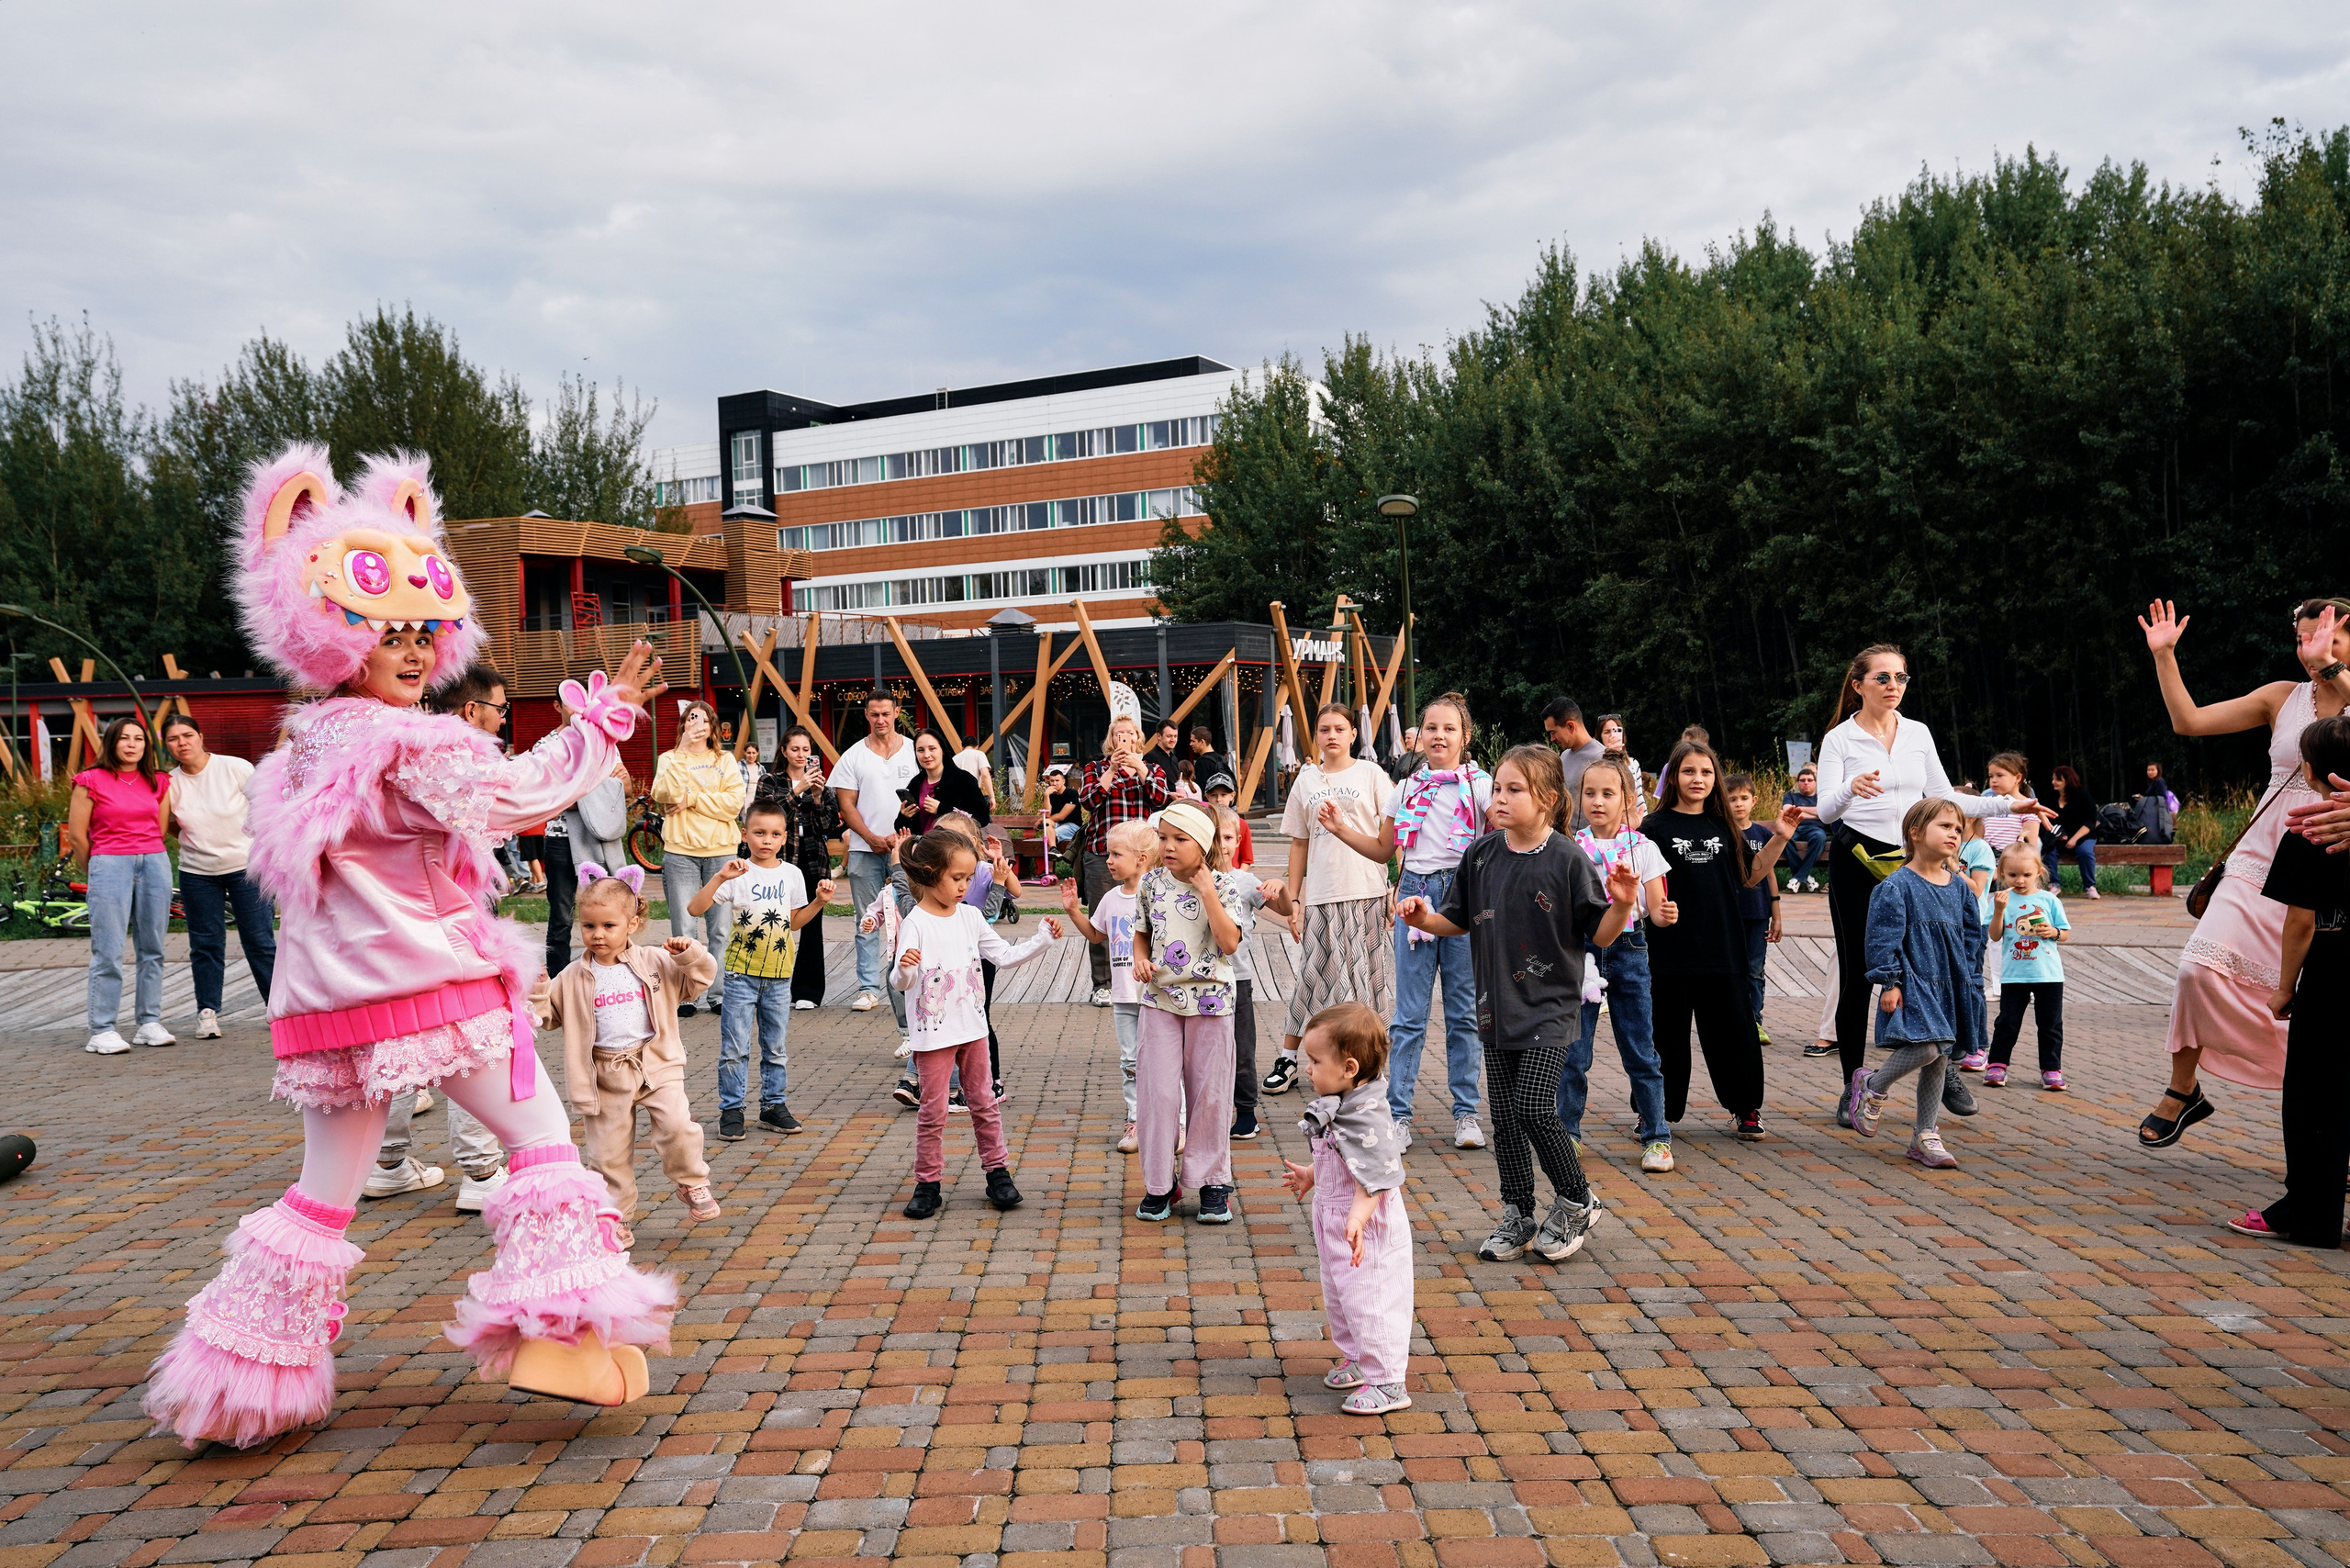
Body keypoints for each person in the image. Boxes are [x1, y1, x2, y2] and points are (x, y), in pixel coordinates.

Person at [146, 446, 674, 1447]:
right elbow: (512, 797)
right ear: (330, 632)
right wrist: (602, 726)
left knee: (322, 1195)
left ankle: (238, 1384)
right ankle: (558, 1340)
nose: (413, 650)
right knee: (543, 1142)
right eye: (386, 631)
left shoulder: (301, 744)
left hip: (330, 1005)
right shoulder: (403, 740)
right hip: (432, 988)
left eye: (422, 632)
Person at [1398, 745, 1637, 1264]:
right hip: (1495, 1008)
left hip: (1551, 1008)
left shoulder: (1568, 859)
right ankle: (1518, 1212)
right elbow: (1454, 919)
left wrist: (1621, 903)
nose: (1500, 798)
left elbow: (1601, 933)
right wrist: (1422, 919)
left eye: (1514, 790)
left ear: (1548, 799)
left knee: (1532, 1106)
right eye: (1498, 788)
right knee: (1504, 1116)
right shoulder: (1480, 855)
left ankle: (1577, 1200)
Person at [2136, 598, 2350, 1148]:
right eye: (2303, 641)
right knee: (2197, 970)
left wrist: (2332, 667)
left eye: (2326, 641)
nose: (2311, 652)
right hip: (2257, 860)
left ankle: (2328, 1108)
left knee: (2318, 1005)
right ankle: (2185, 1090)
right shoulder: (2283, 697)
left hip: (2331, 869)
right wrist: (2164, 657)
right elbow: (2190, 721)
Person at [1816, 644, 2048, 1121]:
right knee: (1860, 970)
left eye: (1900, 677)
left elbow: (1944, 800)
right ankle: (1852, 1085)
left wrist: (2009, 806)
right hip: (1857, 857)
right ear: (1858, 685)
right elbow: (1823, 811)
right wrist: (1850, 788)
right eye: (1882, 678)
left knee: (1937, 962)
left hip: (1916, 863)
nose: (1893, 685)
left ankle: (1945, 1065)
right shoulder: (1839, 740)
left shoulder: (1918, 733)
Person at [1303, 694, 1490, 1149]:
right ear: (1419, 735)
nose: (1439, 736)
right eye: (1431, 728)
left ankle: (1466, 1113)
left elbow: (1497, 840)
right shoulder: (1406, 788)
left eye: (1449, 729)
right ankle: (1398, 1114)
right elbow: (1386, 851)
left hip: (1464, 892)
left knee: (1464, 1011)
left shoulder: (1482, 786)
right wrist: (1342, 828)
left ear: (1465, 736)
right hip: (1414, 894)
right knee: (1408, 1016)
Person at [368, 663, 513, 1211]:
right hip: (449, 924)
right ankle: (481, 1172)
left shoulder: (393, 748)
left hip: (394, 927)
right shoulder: (455, 761)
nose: (503, 721)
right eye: (500, 709)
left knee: (403, 1040)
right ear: (473, 712)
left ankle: (387, 1161)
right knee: (471, 1042)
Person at [532, 868, 721, 1240]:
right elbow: (545, 1017)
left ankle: (691, 1181)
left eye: (608, 925)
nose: (597, 934)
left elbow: (699, 982)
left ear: (632, 923)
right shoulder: (571, 976)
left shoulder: (655, 961)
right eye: (588, 926)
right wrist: (538, 990)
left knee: (678, 1126)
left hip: (656, 1063)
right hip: (603, 1076)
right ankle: (614, 1218)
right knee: (607, 1157)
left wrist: (691, 955)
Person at [890, 829, 1061, 1219]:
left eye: (969, 878)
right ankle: (928, 1183)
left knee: (984, 1103)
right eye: (957, 878)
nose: (965, 886)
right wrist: (905, 970)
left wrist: (1042, 939)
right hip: (933, 1036)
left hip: (974, 1030)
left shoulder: (970, 917)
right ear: (931, 873)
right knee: (932, 1112)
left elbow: (1003, 955)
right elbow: (900, 984)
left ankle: (998, 1174)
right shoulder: (915, 922)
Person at [1645, 742, 1804, 1141]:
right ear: (1673, 777)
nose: (1698, 779)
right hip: (1669, 952)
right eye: (1688, 772)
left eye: (1706, 772)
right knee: (1666, 1038)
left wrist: (1781, 837)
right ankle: (1655, 1112)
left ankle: (1746, 1109)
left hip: (1723, 948)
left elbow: (1750, 875)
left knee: (1735, 1034)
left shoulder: (1723, 825)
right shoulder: (1654, 827)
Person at [2232, 716, 2350, 1246]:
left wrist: (2284, 988)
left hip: (2333, 969)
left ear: (2307, 769)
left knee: (2314, 1095)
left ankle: (2311, 1215)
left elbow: (2301, 921)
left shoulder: (2309, 828)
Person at [1280, 1002, 1415, 1418]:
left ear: (1350, 1067)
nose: (1307, 1069)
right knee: (1341, 1296)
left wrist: (1357, 1217)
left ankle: (1388, 1380)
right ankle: (1358, 1357)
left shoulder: (1367, 1116)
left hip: (1363, 1227)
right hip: (1335, 1219)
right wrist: (1311, 1173)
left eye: (1315, 1061)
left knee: (1369, 1298)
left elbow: (1375, 1175)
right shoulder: (1343, 1102)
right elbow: (1342, 1157)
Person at [1843, 798, 1985, 1170]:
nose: (1954, 833)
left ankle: (1925, 1134)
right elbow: (1880, 939)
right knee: (1929, 1047)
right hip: (1914, 979)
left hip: (1950, 982)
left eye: (1958, 828)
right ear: (1916, 833)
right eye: (1945, 826)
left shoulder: (1958, 888)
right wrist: (1889, 982)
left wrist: (1971, 979)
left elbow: (1972, 937)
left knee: (1939, 1055)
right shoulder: (1897, 886)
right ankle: (1873, 1085)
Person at [689, 801, 834, 1140]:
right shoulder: (737, 873)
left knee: (776, 1048)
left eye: (774, 834)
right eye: (758, 833)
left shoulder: (792, 875)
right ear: (745, 835)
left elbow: (795, 921)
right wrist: (720, 877)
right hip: (740, 976)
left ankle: (773, 1106)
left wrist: (819, 902)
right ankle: (732, 1109)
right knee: (734, 1048)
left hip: (781, 977)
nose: (766, 840)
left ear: (784, 837)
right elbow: (695, 908)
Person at [1131, 801, 1247, 1224]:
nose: (1169, 846)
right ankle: (1161, 1185)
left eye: (1180, 839)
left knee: (1210, 1096)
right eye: (1163, 838)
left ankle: (1214, 1182)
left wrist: (1208, 892)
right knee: (1158, 1094)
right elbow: (1140, 936)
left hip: (1212, 1004)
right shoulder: (1150, 884)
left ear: (1202, 843)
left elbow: (1229, 943)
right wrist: (1140, 960)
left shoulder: (1224, 885)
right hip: (1159, 1001)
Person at [1270, 706, 1394, 1094]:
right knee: (1311, 979)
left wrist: (1396, 887)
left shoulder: (1372, 774)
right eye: (1324, 729)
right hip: (1323, 895)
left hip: (1368, 892)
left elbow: (1395, 836)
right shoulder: (1306, 781)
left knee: (1369, 984)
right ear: (1317, 736)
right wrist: (1294, 902)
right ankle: (1292, 1060)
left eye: (1340, 728)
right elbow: (1298, 843)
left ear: (1354, 733)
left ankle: (1370, 1066)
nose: (1332, 735)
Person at [1563, 756, 1674, 1173]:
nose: (1597, 802)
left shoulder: (1643, 848)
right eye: (1589, 793)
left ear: (1628, 799)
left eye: (1608, 794)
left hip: (1630, 949)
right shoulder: (1571, 848)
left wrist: (1666, 915)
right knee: (1574, 1051)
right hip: (1583, 953)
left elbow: (1658, 909)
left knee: (1640, 1050)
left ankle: (1657, 1137)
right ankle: (1568, 1134)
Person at [160, 712, 275, 1039]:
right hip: (198, 873)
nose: (182, 743)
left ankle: (277, 1008)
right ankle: (207, 1012)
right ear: (166, 745)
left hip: (245, 868)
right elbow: (169, 825)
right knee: (205, 944)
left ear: (199, 736)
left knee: (260, 940)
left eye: (187, 735)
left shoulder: (234, 767)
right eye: (173, 739)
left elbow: (265, 805)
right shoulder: (170, 783)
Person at [71, 716, 174, 1055]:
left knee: (153, 948)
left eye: (139, 739)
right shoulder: (90, 780)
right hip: (109, 863)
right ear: (112, 742)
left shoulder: (157, 780)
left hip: (154, 863)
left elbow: (159, 830)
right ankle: (102, 1029)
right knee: (109, 951)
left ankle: (149, 1022)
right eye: (124, 738)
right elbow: (76, 835)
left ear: (146, 746)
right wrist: (99, 869)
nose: (132, 744)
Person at [1060, 821, 1158, 1149]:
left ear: (1142, 858)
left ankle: (1178, 1122)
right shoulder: (1111, 898)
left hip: (1157, 997)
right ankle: (1136, 1122)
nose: (1109, 861)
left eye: (1116, 854)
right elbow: (1097, 935)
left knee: (1166, 1060)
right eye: (1108, 853)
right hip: (1123, 997)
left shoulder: (1158, 894)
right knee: (1129, 1062)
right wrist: (1074, 912)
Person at [652, 700, 745, 1018]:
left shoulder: (725, 759)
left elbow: (733, 805)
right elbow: (665, 795)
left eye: (704, 720)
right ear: (683, 724)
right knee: (684, 928)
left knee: (720, 929)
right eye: (692, 719)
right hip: (681, 852)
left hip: (720, 851)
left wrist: (692, 799)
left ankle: (716, 994)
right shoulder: (669, 758)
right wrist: (681, 751)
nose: (698, 725)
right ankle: (688, 994)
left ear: (713, 726)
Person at [826, 689, 917, 1013]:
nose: (880, 719)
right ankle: (867, 988)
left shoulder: (914, 751)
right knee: (866, 920)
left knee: (911, 916)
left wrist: (899, 838)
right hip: (865, 850)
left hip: (908, 849)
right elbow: (846, 805)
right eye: (874, 714)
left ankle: (910, 982)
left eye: (886, 713)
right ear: (866, 715)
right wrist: (871, 837)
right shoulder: (853, 756)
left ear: (896, 713)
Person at [1077, 716, 1170, 1005]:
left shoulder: (1152, 768)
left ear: (1139, 739)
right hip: (1103, 852)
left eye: (1130, 734)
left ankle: (1153, 976)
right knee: (1103, 916)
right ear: (1111, 740)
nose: (1125, 738)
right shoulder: (1095, 768)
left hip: (1144, 856)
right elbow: (1088, 801)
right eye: (1119, 734)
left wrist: (1139, 768)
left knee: (1151, 913)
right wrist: (1113, 770)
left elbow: (1160, 799)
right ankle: (1103, 984)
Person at [1212, 803, 1289, 1142]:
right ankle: (1208, 1111)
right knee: (1207, 1052)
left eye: (1229, 837)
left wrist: (1280, 886)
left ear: (1239, 839)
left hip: (1237, 979)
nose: (1222, 844)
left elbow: (1285, 910)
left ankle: (1245, 1113)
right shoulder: (1187, 880)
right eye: (1215, 836)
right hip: (1200, 981)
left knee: (1242, 1050)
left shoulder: (1243, 881)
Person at [752, 725, 839, 1010]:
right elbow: (766, 818)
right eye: (795, 749)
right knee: (773, 923)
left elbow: (827, 827)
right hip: (779, 861)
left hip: (813, 861)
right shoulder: (770, 781)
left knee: (812, 927)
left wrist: (815, 796)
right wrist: (796, 791)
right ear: (784, 751)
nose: (801, 755)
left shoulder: (820, 784)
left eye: (806, 750)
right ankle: (766, 988)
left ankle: (807, 992)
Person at [1985, 843, 2069, 1090]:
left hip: (2049, 974)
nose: (2019, 880)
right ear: (2001, 874)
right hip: (2014, 975)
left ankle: (2051, 1069)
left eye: (2026, 875)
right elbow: (1995, 935)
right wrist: (1999, 910)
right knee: (2007, 1023)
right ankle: (1997, 1065)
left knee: (2050, 1025)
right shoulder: (2000, 901)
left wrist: (2053, 931)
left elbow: (2065, 934)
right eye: (2012, 875)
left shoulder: (2049, 900)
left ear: (2039, 872)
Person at [1724, 774, 1781, 1043]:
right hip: (1729, 913)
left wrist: (1776, 914)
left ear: (1754, 801)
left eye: (1743, 798)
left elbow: (1769, 874)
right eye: (1732, 798)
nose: (1738, 804)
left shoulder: (1762, 834)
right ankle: (1731, 1020)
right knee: (1730, 969)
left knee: (1755, 969)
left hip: (1758, 913)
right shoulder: (1720, 833)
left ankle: (1755, 1021)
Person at [897, 727, 990, 837]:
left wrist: (942, 809)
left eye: (932, 749)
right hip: (922, 850)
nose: (926, 755)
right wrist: (904, 817)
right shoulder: (915, 783)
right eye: (921, 750)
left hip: (956, 850)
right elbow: (902, 829)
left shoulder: (963, 779)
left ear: (943, 750)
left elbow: (982, 817)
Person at [1540, 698, 1606, 831]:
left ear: (1571, 726)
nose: (1552, 739)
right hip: (1562, 839)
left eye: (1553, 732)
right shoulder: (1563, 756)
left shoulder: (1601, 759)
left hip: (1588, 844)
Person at [2039, 765, 2100, 900]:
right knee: (2048, 850)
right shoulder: (2049, 796)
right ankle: (2054, 884)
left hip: (2082, 834)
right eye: (2053, 779)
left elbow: (2090, 822)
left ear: (2068, 781)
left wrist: (2074, 839)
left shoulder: (2083, 796)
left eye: (2058, 780)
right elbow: (2042, 818)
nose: (2053, 782)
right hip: (2057, 835)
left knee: (2084, 852)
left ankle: (2090, 886)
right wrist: (2056, 835)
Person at [1782, 764, 1828, 892]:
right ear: (1797, 783)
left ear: (1815, 782)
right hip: (1793, 827)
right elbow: (1787, 811)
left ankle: (1797, 878)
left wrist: (1799, 809)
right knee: (1783, 838)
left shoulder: (1821, 798)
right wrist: (1816, 814)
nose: (1806, 783)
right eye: (1802, 780)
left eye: (1809, 780)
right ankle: (1805, 877)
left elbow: (1823, 812)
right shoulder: (1790, 796)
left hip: (1814, 831)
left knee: (1820, 837)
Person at [1596, 715, 1644, 812]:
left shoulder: (1633, 764)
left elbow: (1639, 798)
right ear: (1600, 737)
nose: (1612, 735)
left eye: (1617, 731)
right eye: (1607, 732)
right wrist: (1609, 756)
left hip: (1630, 821)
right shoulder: (1596, 764)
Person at [1188, 726, 1229, 795]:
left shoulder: (1202, 762)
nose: (1190, 744)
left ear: (1202, 742)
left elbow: (1201, 790)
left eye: (1193, 741)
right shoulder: (1220, 758)